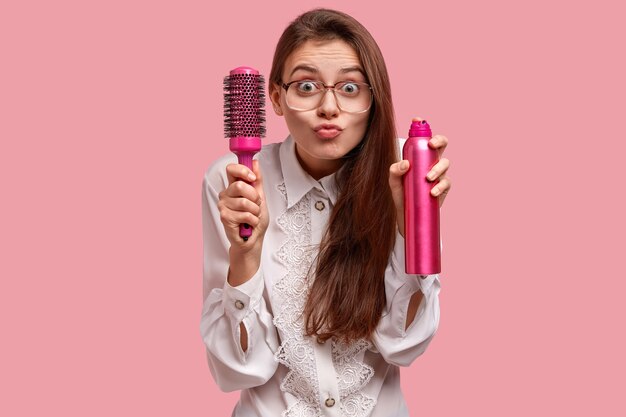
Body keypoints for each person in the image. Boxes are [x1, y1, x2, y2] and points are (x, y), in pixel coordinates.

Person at [200, 8, 452, 417]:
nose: (329, 107)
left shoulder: (403, 171)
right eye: (307, 86)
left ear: (374, 98)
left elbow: (404, 345)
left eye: (350, 87)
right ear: (277, 98)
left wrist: (411, 228)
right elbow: (240, 370)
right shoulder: (233, 181)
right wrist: (245, 255)